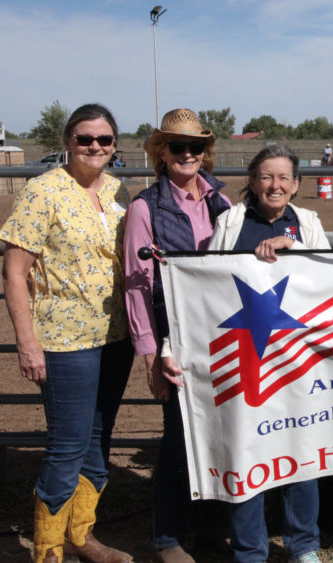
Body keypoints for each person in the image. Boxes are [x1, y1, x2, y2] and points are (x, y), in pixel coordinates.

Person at [0, 103, 134, 563]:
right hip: (63, 340)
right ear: (67, 143)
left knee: (99, 440)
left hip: (116, 338)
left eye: (104, 140)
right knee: (68, 444)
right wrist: (27, 341)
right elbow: (15, 272)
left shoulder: (120, 194)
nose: (95, 147)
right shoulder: (42, 192)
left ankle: (82, 535)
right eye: (85, 139)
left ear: (115, 145)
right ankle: (48, 549)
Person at [208, 144, 329, 563]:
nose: (274, 185)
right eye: (265, 177)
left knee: (301, 448)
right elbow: (203, 287)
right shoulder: (231, 223)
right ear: (252, 182)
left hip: (297, 360)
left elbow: (329, 283)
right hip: (244, 359)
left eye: (283, 178)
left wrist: (297, 250)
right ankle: (249, 550)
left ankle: (304, 546)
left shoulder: (310, 223)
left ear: (296, 185)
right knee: (247, 452)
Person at [124, 109, 231, 563]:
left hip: (223, 336)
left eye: (195, 147)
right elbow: (137, 284)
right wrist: (149, 354)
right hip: (176, 339)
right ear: (161, 153)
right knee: (176, 440)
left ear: (205, 153)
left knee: (220, 433)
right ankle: (167, 536)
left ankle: (210, 530)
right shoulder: (144, 208)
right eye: (177, 146)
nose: (187, 154)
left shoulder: (222, 204)